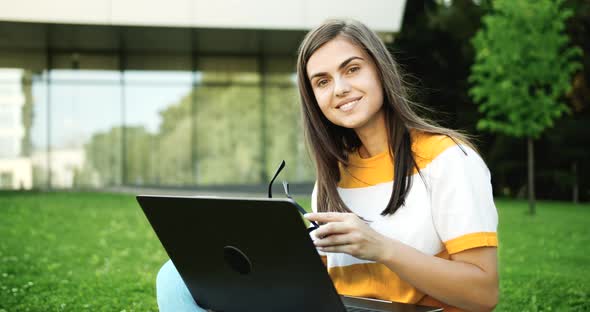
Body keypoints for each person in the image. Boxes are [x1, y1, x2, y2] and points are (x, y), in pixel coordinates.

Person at [155, 19, 499, 312]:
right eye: (322, 81)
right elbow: (318, 281)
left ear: (380, 70)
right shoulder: (334, 176)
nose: (340, 89)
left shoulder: (449, 158)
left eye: (352, 69)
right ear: (314, 100)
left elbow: (483, 293)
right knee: (174, 276)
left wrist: (381, 248)